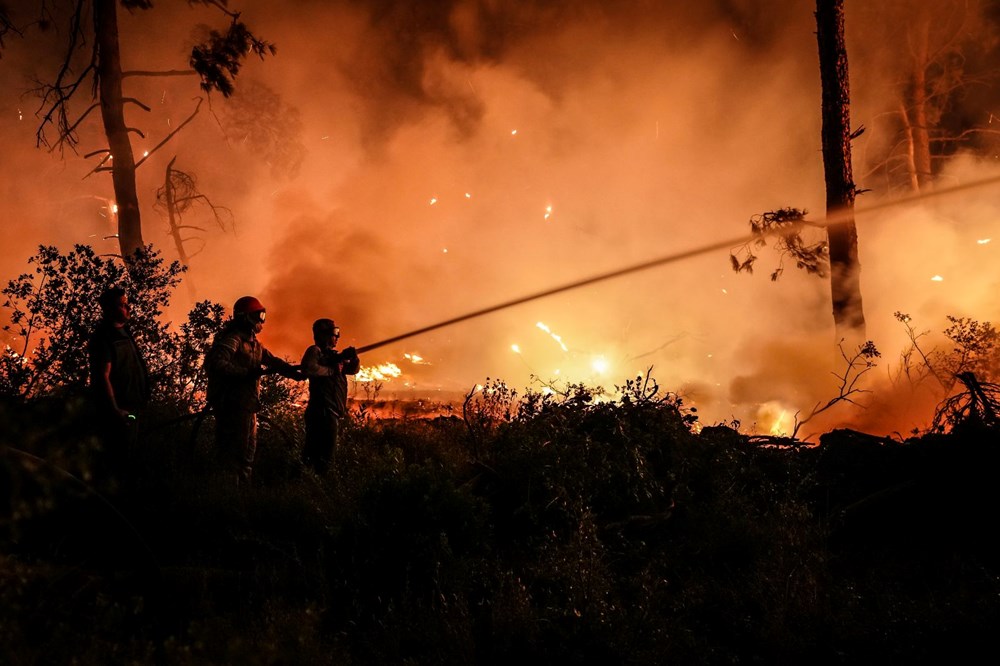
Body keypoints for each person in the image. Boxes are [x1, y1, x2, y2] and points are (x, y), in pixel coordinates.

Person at [204, 296, 299, 485]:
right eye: (259, 315)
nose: (262, 321)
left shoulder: (255, 345)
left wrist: (294, 372)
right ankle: (225, 495)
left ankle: (242, 496)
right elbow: (216, 363)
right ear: (246, 317)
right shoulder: (233, 340)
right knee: (233, 456)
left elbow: (273, 362)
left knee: (247, 455)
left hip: (247, 405)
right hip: (231, 405)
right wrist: (244, 372)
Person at [87, 286, 150, 477]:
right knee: (118, 460)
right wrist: (115, 409)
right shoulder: (103, 338)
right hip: (121, 410)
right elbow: (102, 376)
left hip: (134, 405)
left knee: (131, 456)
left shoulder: (125, 331)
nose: (128, 308)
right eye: (123, 305)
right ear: (109, 309)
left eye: (127, 303)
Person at [300, 318, 360, 474]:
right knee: (321, 458)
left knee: (316, 456)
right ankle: (312, 489)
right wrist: (332, 370)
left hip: (329, 413)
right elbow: (308, 368)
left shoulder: (332, 357)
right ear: (323, 335)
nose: (337, 337)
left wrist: (353, 358)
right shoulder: (315, 351)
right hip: (322, 412)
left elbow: (353, 370)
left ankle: (304, 484)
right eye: (334, 333)